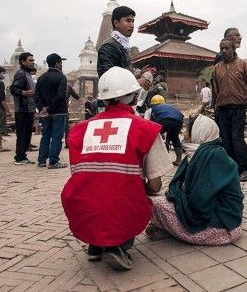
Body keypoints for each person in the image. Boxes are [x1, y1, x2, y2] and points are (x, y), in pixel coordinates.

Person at [61, 66, 172, 270]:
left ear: (103, 99)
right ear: (133, 96)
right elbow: (156, 185)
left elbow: (83, 176)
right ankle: (117, 245)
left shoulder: (79, 130)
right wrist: (142, 190)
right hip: (122, 208)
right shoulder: (145, 129)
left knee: (97, 190)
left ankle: (95, 244)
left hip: (80, 207)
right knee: (133, 196)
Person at [146, 114, 244, 245]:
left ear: (198, 132)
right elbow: (180, 188)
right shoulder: (200, 154)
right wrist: (177, 194)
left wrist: (177, 195)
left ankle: (173, 231)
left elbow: (198, 204)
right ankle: (170, 230)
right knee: (167, 200)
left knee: (156, 204)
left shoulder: (212, 157)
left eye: (187, 131)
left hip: (222, 229)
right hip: (230, 221)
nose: (184, 135)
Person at [213, 38, 247, 182]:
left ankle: (245, 169)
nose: (224, 51)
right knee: (225, 139)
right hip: (223, 108)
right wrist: (216, 107)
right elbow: (215, 90)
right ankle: (232, 168)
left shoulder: (243, 65)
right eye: (221, 48)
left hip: (239, 107)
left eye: (227, 48)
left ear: (233, 49)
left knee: (237, 138)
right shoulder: (216, 68)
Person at [97, 5, 150, 90]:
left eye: (133, 21)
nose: (132, 25)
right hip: (112, 102)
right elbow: (106, 79)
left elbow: (124, 75)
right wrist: (136, 82)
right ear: (116, 23)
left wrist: (140, 74)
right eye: (128, 21)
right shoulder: (109, 47)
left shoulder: (123, 46)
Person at [34, 53, 68, 168]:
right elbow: (60, 96)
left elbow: (36, 96)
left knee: (46, 135)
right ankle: (53, 161)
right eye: (61, 63)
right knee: (57, 136)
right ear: (57, 64)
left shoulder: (41, 78)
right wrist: (49, 108)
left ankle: (42, 160)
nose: (62, 66)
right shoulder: (61, 77)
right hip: (58, 111)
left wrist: (43, 108)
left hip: (45, 113)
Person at [10, 52, 37, 164]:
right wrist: (25, 92)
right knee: (22, 134)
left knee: (27, 134)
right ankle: (19, 157)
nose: (32, 62)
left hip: (29, 108)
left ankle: (23, 156)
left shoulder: (28, 74)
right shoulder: (21, 74)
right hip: (22, 109)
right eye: (30, 60)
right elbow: (13, 89)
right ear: (23, 61)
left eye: (33, 60)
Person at [144, 95, 184, 166]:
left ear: (152, 103)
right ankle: (179, 160)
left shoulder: (151, 109)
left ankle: (159, 161)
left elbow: (146, 123)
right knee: (175, 138)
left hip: (163, 120)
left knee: (156, 138)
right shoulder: (170, 107)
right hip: (178, 120)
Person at [64, 83, 80, 148]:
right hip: (63, 109)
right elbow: (77, 97)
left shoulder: (51, 83)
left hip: (50, 109)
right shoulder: (68, 86)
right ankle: (67, 143)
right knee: (66, 128)